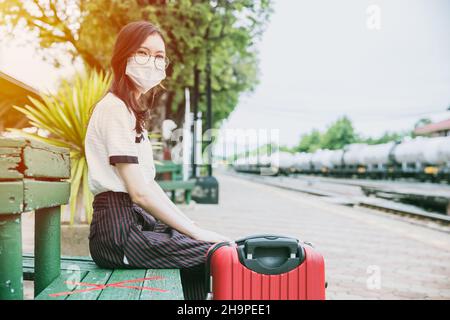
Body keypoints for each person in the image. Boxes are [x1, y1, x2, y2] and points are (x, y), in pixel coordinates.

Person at [84, 21, 230, 299]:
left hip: (134, 224)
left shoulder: (129, 112)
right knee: (214, 254)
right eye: (142, 52)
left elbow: (149, 187)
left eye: (159, 56)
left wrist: (193, 227)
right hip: (118, 235)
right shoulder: (114, 109)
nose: (152, 62)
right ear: (123, 57)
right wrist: (198, 235)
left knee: (208, 247)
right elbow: (138, 193)